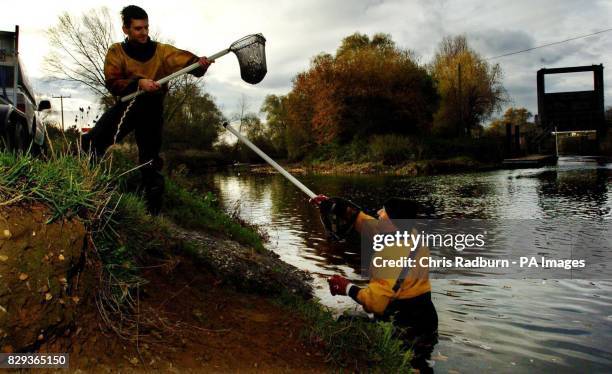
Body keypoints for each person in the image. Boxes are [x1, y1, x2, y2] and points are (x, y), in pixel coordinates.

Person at [82, 5, 212, 215]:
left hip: (152, 110)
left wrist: (200, 64)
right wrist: (139, 83)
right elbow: (113, 82)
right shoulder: (116, 51)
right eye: (138, 29)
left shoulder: (162, 51)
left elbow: (188, 63)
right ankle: (87, 190)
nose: (144, 33)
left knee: (150, 162)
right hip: (127, 106)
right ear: (126, 29)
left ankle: (151, 215)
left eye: (146, 28)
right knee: (93, 142)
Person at [313, 195, 438, 373]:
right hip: (424, 313)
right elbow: (369, 225)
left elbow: (377, 303)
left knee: (407, 365)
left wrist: (347, 287)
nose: (378, 212)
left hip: (407, 320)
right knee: (416, 362)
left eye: (383, 212)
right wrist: (336, 207)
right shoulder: (407, 232)